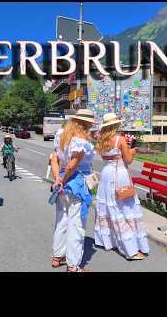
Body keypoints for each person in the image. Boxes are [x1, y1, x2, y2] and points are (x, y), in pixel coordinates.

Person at [94, 113, 150, 260]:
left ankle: (107, 240)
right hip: (119, 175)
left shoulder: (100, 139)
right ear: (116, 125)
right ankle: (130, 248)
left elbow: (105, 157)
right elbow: (129, 160)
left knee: (108, 206)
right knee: (124, 208)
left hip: (106, 174)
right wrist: (131, 151)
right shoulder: (120, 140)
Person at [50, 109, 96, 272]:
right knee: (76, 225)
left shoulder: (61, 134)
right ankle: (73, 265)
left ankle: (57, 256)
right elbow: (72, 165)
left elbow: (54, 158)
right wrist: (63, 180)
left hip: (62, 182)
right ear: (87, 123)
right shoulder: (81, 139)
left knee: (61, 220)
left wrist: (57, 179)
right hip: (76, 183)